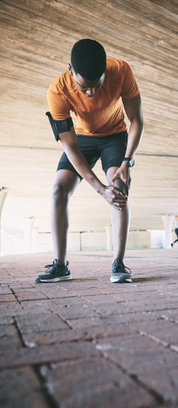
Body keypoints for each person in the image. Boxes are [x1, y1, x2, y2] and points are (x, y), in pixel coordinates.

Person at [35, 39, 143, 284]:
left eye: (96, 85)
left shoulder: (121, 70)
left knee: (118, 189)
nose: (91, 93)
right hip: (81, 139)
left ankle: (119, 262)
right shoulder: (57, 90)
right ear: (70, 70)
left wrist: (127, 161)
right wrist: (98, 189)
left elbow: (136, 120)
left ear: (105, 69)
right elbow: (70, 146)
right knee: (58, 190)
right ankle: (61, 266)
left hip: (115, 137)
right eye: (84, 87)